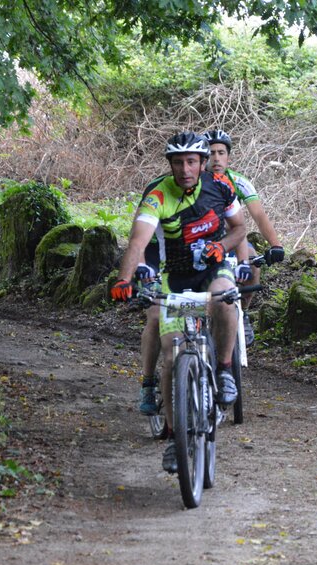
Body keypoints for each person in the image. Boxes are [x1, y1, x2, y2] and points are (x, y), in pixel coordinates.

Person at [111, 131, 247, 473]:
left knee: (225, 298)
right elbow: (138, 241)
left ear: (202, 163)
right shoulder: (158, 195)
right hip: (175, 276)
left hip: (213, 268)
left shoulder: (221, 187)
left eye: (191, 162)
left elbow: (239, 228)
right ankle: (175, 437)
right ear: (170, 165)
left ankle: (225, 369)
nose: (184, 169)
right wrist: (124, 279)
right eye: (177, 163)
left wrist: (222, 246)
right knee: (172, 357)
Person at [204, 129, 285, 344]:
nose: (216, 158)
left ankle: (243, 312)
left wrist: (275, 245)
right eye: (211, 153)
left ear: (228, 157)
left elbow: (259, 215)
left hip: (232, 239)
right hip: (201, 240)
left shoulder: (238, 182)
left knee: (252, 264)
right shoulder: (194, 181)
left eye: (221, 153)